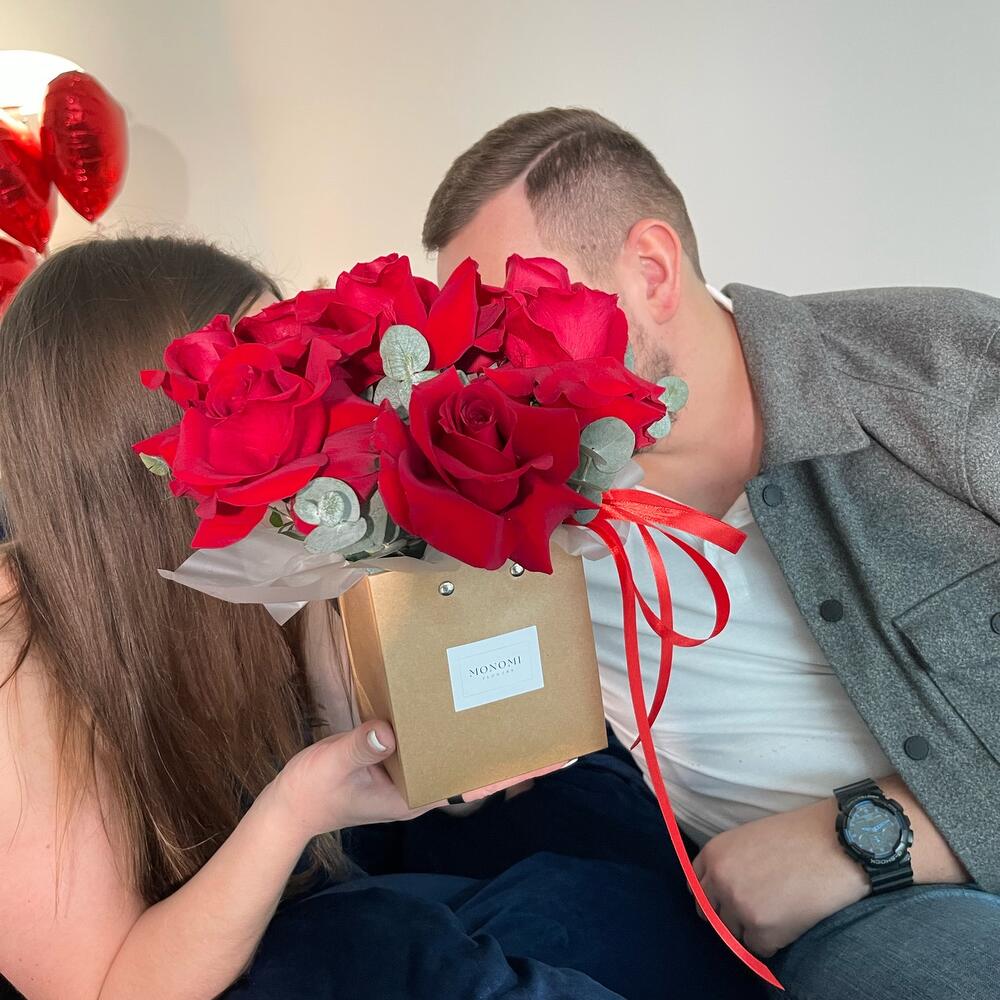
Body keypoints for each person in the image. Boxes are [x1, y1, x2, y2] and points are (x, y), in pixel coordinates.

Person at [0, 235, 743, 1000]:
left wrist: (459, 731)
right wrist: (296, 810)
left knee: (581, 815)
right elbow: (109, 988)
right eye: (282, 387)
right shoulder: (21, 660)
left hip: (343, 866)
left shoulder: (283, 536)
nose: (328, 410)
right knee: (375, 946)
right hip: (197, 956)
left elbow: (371, 732)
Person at [420, 107, 1000, 999]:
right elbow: (414, 696)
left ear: (651, 271)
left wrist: (875, 836)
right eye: (474, 339)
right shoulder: (521, 504)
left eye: (519, 318)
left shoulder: (942, 369)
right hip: (887, 933)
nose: (493, 372)